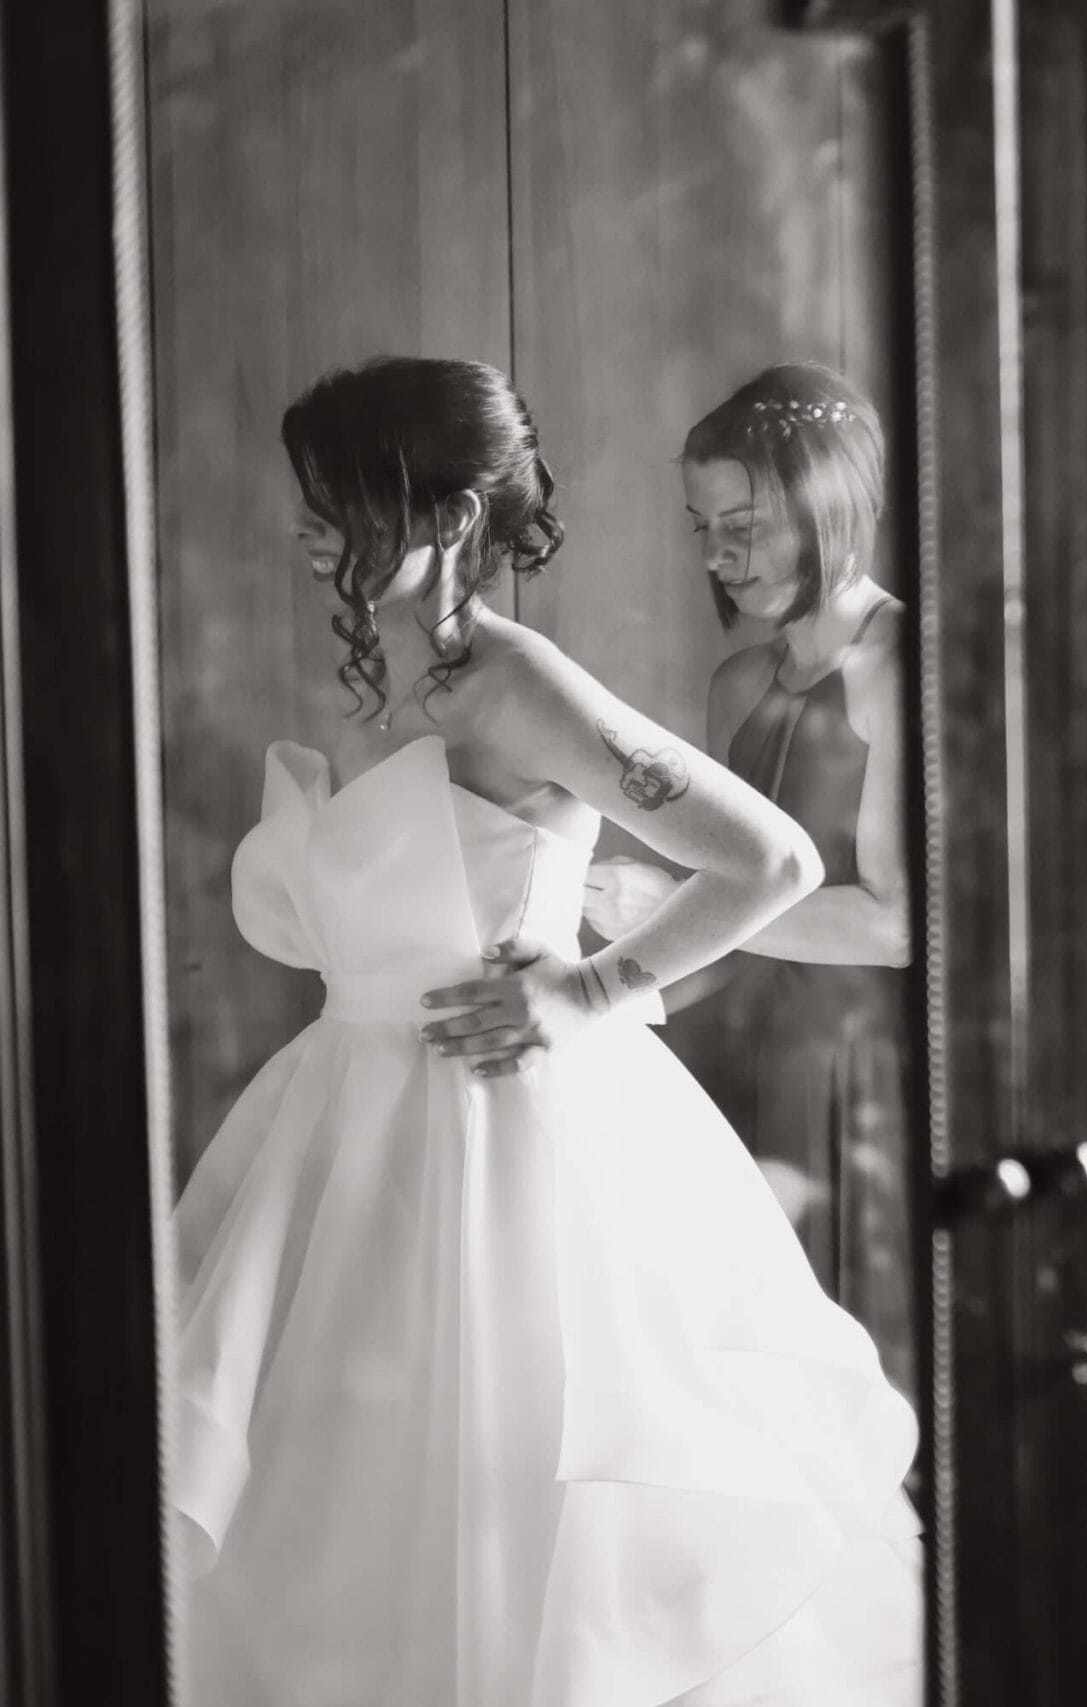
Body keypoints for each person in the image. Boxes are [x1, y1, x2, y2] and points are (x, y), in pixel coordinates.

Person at [169, 357, 923, 1706]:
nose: (309, 527)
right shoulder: (382, 685)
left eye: (342, 499)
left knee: (517, 1508)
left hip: (497, 1138)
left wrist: (589, 990)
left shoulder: (513, 681)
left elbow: (774, 860)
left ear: (454, 516)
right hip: (344, 1140)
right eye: (314, 498)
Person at [583, 363, 913, 1399]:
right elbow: (728, 925)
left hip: (863, 1077)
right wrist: (601, 975)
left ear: (831, 506)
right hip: (736, 1063)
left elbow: (897, 925)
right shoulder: (737, 684)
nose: (717, 557)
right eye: (702, 526)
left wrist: (676, 908)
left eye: (745, 524)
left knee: (854, 1363)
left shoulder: (903, 666)